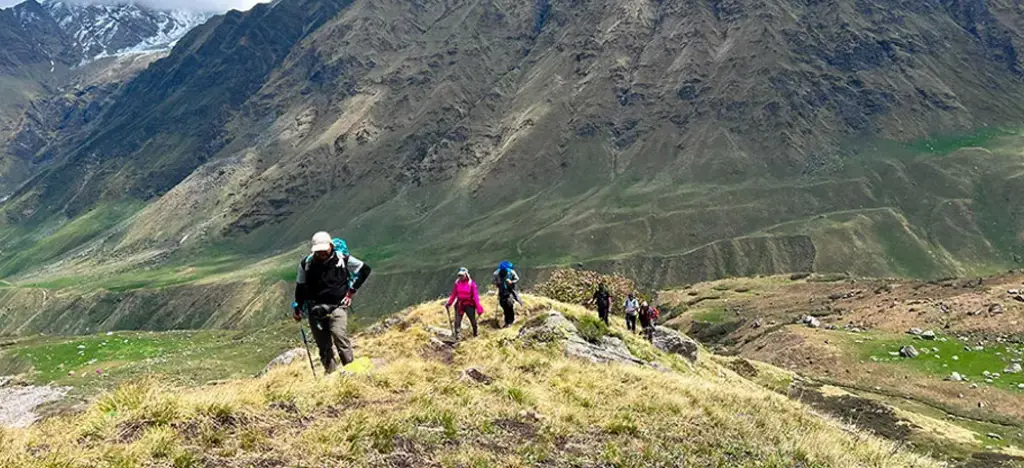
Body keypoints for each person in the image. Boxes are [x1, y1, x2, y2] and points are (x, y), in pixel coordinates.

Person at [292, 231, 372, 374]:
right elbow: (301, 286)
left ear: (331, 246)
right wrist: (298, 308)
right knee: (323, 346)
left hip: (337, 306)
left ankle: (351, 372)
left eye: (324, 249)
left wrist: (350, 292)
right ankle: (331, 376)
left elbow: (364, 270)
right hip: (315, 309)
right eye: (319, 251)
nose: (322, 253)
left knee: (339, 336)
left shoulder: (343, 259)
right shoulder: (306, 264)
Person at [446, 267, 484, 338]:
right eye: (459, 275)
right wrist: (449, 303)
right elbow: (454, 294)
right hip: (459, 304)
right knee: (457, 321)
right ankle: (457, 335)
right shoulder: (457, 283)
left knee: (472, 320)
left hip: (469, 304)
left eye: (462, 275)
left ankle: (475, 333)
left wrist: (478, 307)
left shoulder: (471, 284)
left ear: (466, 275)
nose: (460, 277)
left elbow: (476, 296)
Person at [493, 261, 520, 327]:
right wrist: (497, 283)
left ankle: (510, 321)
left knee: (509, 305)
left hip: (509, 291)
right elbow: (494, 281)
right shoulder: (497, 274)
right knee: (504, 305)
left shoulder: (511, 272)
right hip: (502, 292)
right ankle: (507, 321)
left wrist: (511, 282)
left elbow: (517, 279)